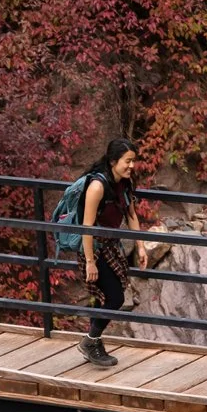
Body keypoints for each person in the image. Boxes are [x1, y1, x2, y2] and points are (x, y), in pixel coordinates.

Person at [78, 139, 147, 368]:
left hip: (110, 245)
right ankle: (90, 341)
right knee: (115, 297)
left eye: (133, 161)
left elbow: (131, 215)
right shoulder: (97, 187)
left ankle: (93, 343)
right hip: (94, 248)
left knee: (106, 295)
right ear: (113, 161)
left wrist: (140, 245)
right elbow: (86, 227)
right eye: (128, 161)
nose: (131, 166)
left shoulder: (124, 183)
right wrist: (90, 262)